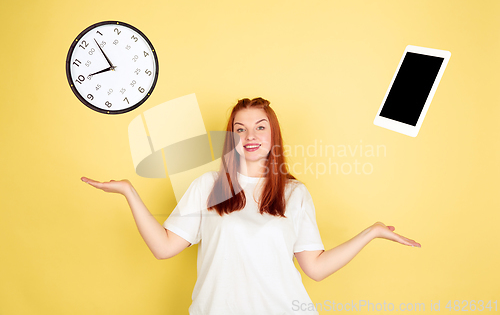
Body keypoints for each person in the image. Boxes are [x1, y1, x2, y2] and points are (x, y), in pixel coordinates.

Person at [81, 97, 421, 315]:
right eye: (239, 129)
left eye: (260, 127)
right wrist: (129, 192)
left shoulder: (295, 193)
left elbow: (314, 269)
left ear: (273, 136)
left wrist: (371, 232)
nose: (250, 136)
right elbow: (164, 248)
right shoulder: (208, 188)